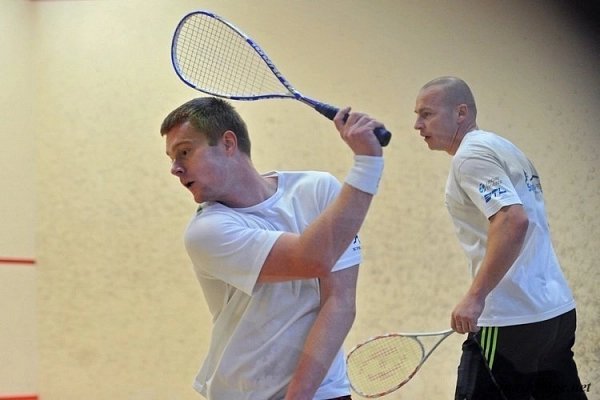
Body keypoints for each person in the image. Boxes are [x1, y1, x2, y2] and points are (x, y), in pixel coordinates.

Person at [160, 97, 385, 400]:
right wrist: (367, 164)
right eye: (171, 158)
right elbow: (311, 259)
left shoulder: (318, 190)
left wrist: (299, 395)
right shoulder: (207, 232)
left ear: (228, 143)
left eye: (184, 152)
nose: (175, 168)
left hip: (324, 391)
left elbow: (340, 301)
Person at [413, 76, 587, 400]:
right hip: (555, 313)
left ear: (461, 112)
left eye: (426, 114)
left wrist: (475, 296)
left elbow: (511, 219)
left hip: (510, 319)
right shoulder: (502, 147)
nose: (417, 125)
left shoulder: (470, 156)